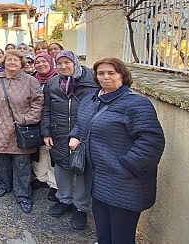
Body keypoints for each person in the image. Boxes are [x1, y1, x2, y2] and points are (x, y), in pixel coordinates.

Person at [70, 58, 165, 244]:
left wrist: (125, 167)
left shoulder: (136, 104)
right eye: (101, 73)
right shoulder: (90, 100)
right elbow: (83, 124)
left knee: (121, 237)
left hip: (124, 184)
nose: (106, 77)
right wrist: (74, 136)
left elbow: (151, 142)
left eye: (111, 73)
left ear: (123, 75)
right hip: (97, 180)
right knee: (103, 234)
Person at [0, 49, 43, 214]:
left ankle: (23, 195)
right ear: (4, 62)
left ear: (22, 63)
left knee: (21, 163)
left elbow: (38, 103)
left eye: (16, 60)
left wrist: (26, 119)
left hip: (18, 128)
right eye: (9, 60)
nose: (12, 62)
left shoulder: (30, 81)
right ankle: (3, 185)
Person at [41, 50, 98, 230]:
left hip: (83, 134)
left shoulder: (90, 82)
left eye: (67, 62)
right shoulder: (53, 82)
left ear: (75, 63)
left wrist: (83, 134)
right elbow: (47, 109)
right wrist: (46, 132)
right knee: (61, 167)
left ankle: (80, 208)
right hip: (58, 133)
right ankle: (64, 199)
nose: (63, 66)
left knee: (82, 170)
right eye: (60, 63)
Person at [32, 52, 58, 201]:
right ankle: (41, 178)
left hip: (52, 121)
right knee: (39, 151)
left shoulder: (57, 78)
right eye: (38, 62)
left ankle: (54, 183)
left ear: (50, 62)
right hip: (36, 121)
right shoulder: (34, 78)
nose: (41, 64)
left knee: (52, 152)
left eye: (44, 62)